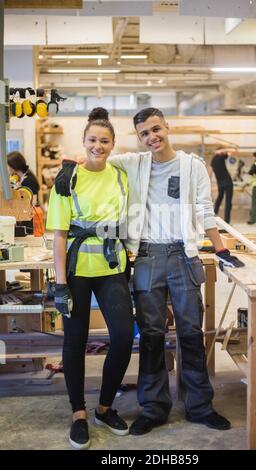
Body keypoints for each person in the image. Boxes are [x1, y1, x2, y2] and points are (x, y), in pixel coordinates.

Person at [55, 107, 244, 437]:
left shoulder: (192, 166)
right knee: (152, 336)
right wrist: (67, 165)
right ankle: (154, 408)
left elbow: (204, 210)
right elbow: (95, 155)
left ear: (166, 127)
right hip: (145, 257)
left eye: (156, 129)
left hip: (183, 255)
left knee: (190, 334)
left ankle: (200, 406)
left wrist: (221, 248)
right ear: (138, 138)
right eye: (144, 134)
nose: (152, 137)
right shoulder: (133, 164)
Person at [46, 108, 134, 450]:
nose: (98, 145)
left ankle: (105, 407)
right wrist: (60, 284)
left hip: (112, 268)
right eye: (93, 140)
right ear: (83, 142)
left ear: (113, 144)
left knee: (125, 337)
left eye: (105, 141)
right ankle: (78, 412)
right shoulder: (67, 180)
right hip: (78, 271)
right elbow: (58, 235)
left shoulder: (120, 177)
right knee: (75, 341)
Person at [7, 151, 41, 235]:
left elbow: (33, 201)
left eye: (8, 165)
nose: (7, 168)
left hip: (30, 219)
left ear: (13, 166)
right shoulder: (21, 177)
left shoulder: (29, 179)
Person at [209, 147, 235, 224]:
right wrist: (221, 151)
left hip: (222, 183)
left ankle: (215, 216)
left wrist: (220, 151)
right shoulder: (220, 156)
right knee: (226, 201)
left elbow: (209, 173)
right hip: (227, 182)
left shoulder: (214, 159)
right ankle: (226, 220)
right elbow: (233, 150)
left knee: (221, 199)